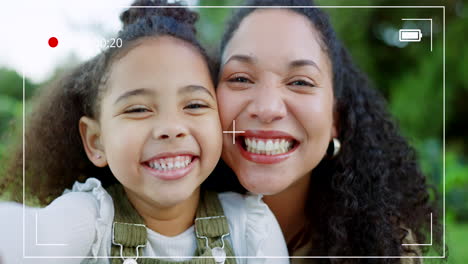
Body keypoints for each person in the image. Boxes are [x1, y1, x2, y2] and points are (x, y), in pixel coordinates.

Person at [0, 1, 289, 263]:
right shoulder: (89, 220)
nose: (171, 128)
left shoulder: (251, 228)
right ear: (96, 140)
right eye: (138, 109)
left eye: (195, 104)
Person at [214, 0, 442, 263]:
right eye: (240, 78)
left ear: (336, 116)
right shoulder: (165, 232)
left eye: (300, 81)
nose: (267, 108)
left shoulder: (386, 248)